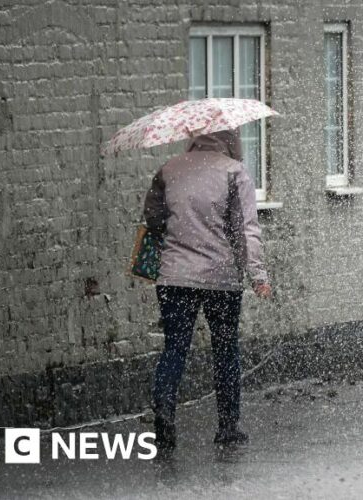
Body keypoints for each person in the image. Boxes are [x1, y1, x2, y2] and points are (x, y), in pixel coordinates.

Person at [143, 128, 272, 456]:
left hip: (174, 275)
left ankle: (164, 416)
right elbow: (246, 229)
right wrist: (257, 275)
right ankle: (228, 428)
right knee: (225, 350)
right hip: (220, 277)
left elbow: (153, 219)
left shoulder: (169, 169)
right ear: (231, 140)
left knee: (175, 349)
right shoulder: (234, 172)